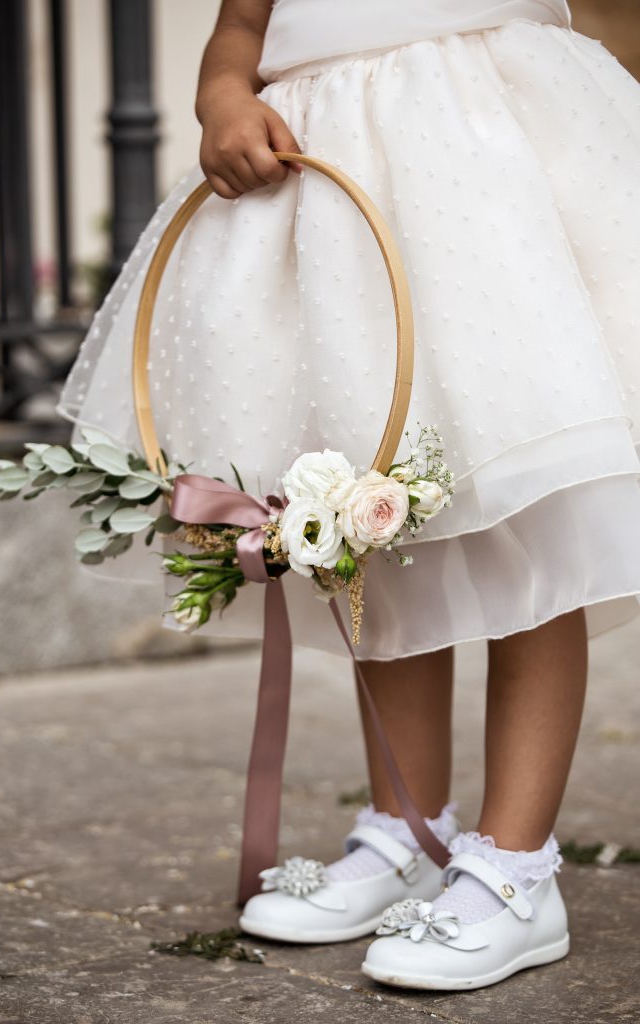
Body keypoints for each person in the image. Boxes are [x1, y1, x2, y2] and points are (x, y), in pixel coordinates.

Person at [56, 0, 640, 990]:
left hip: (493, 184)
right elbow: (240, 25)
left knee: (526, 515)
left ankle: (513, 866)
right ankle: (407, 828)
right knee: (366, 524)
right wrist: (222, 95)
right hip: (334, 211)